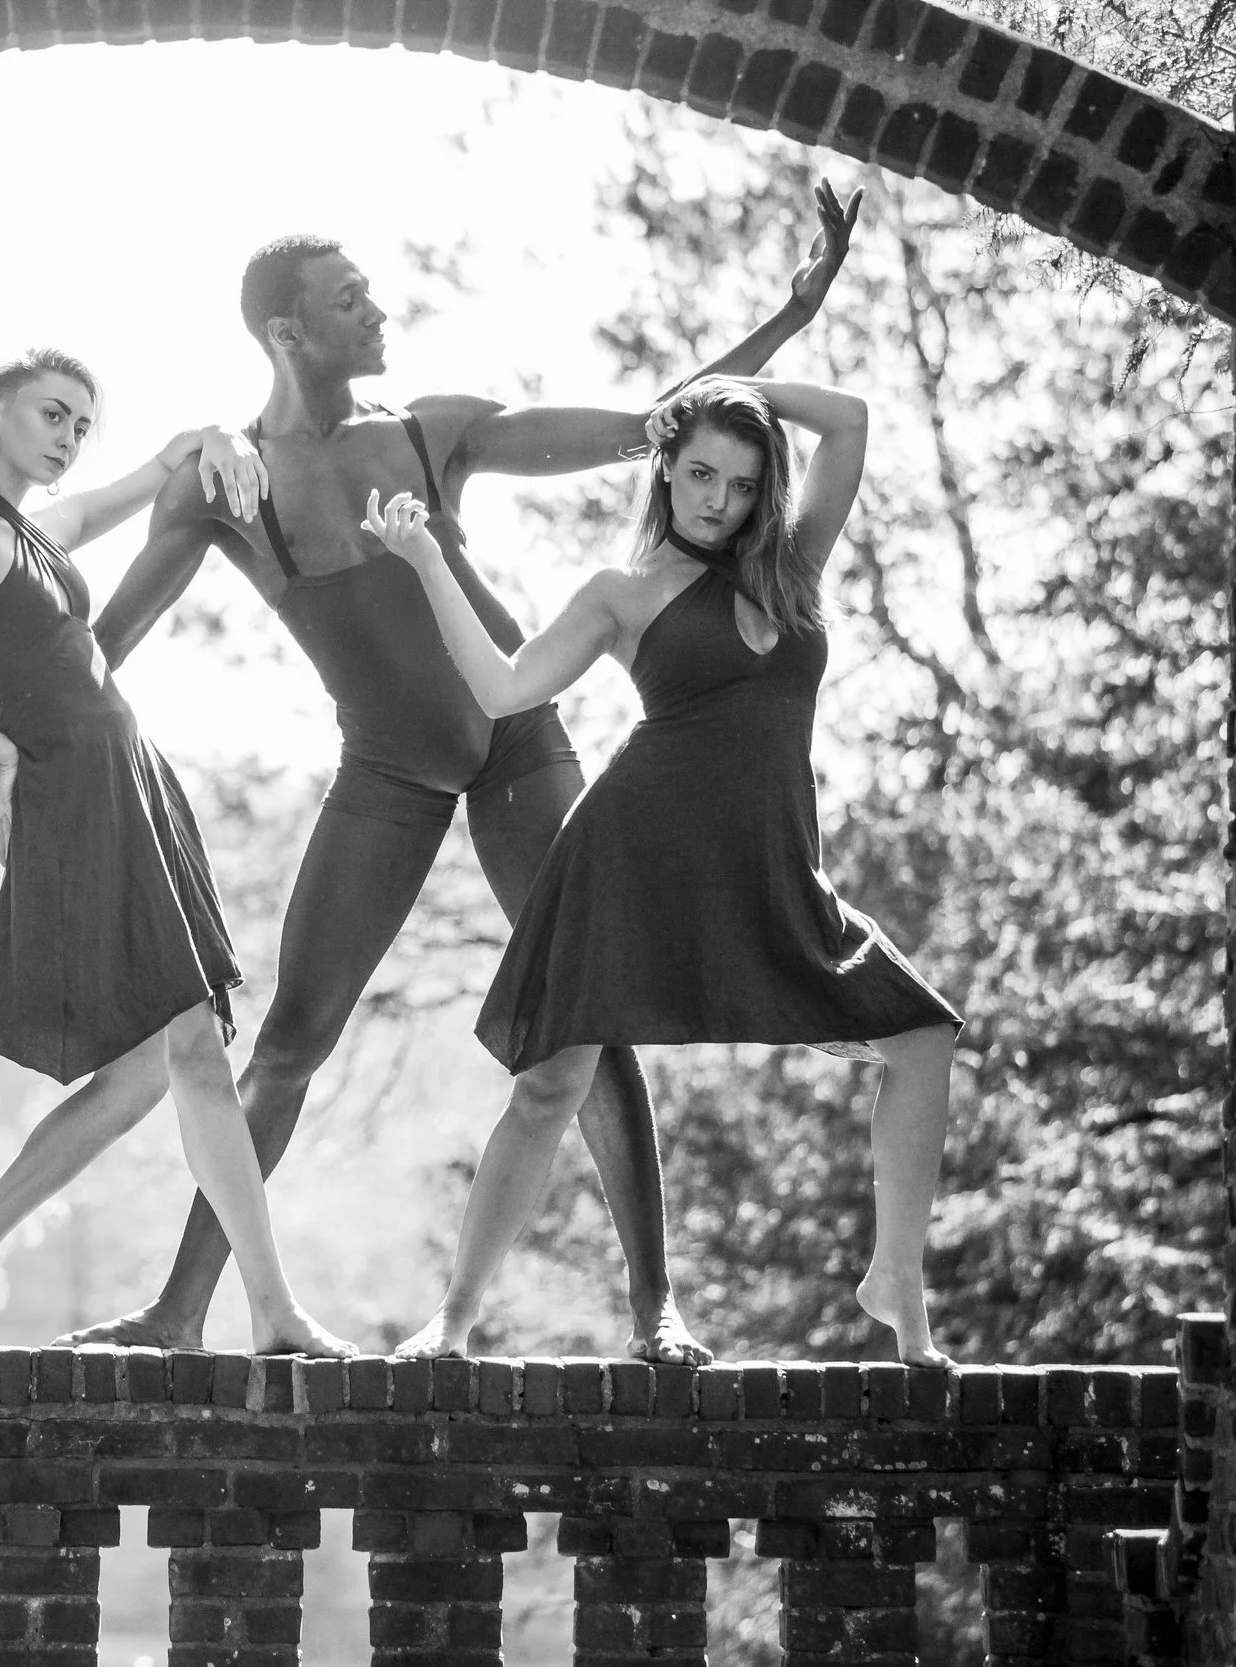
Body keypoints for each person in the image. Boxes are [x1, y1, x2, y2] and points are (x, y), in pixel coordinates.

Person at [60, 184, 864, 1364]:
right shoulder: (220, 486)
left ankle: (657, 1312)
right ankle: (177, 1312)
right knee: (286, 1041)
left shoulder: (433, 429)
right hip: (385, 772)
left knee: (593, 1015)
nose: (376, 311)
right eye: (348, 300)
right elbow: (103, 643)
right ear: (286, 331)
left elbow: (651, 424)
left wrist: (788, 317)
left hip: (518, 745)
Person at [364, 374, 962, 1366]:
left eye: (739, 481)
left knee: (920, 1036)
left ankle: (895, 1277)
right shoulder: (622, 592)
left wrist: (724, 391)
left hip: (765, 865)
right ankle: (455, 1317)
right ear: (664, 470)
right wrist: (424, 557)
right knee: (551, 1085)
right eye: (696, 473)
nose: (716, 499)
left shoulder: (789, 567)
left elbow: (848, 420)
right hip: (631, 857)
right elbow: (504, 685)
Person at [0, 348, 351, 1357]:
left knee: (163, 1067)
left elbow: (134, 487)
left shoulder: (24, 532)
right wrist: (4, 755)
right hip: (75, 798)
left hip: (120, 786)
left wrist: (208, 441)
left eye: (82, 424)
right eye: (52, 414)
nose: (67, 436)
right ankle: (268, 1309)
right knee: (185, 1056)